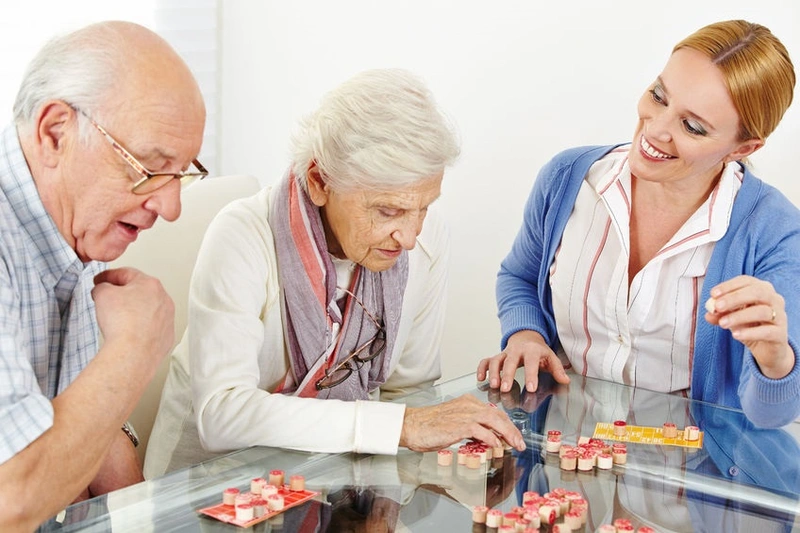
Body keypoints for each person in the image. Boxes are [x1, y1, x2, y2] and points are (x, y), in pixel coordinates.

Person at [145, 68, 525, 477]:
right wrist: (400, 426)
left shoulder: (426, 239)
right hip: (205, 486)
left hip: (338, 481)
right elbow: (222, 415)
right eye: (388, 210)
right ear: (319, 181)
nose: (410, 236)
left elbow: (409, 392)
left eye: (425, 206)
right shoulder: (242, 234)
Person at [479, 20, 800, 429]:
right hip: (566, 470)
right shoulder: (567, 178)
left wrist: (775, 360)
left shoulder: (776, 232)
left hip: (690, 483)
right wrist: (526, 334)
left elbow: (772, 416)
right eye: (659, 96)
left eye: (693, 126)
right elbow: (520, 276)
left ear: (743, 147)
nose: (656, 128)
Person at [0, 21, 206, 529]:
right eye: (150, 167)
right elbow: (12, 497)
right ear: (55, 133)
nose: (171, 206)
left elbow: (96, 427)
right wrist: (135, 348)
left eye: (181, 173)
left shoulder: (78, 224)